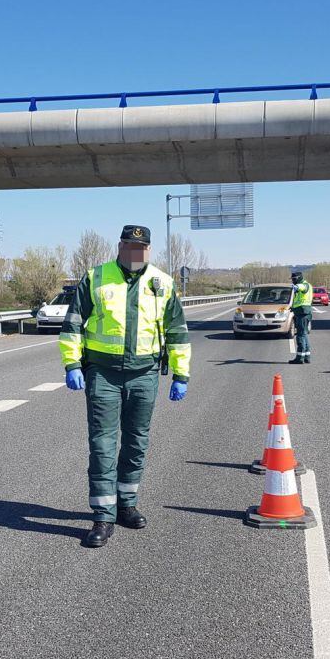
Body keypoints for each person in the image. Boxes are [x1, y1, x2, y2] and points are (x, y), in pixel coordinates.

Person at [59, 225, 191, 548]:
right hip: (103, 375)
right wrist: (73, 364)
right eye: (130, 246)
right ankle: (103, 516)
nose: (135, 253)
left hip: (144, 375)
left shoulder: (162, 283)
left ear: (148, 250)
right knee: (103, 445)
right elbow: (73, 324)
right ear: (119, 246)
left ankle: (126, 504)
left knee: (136, 442)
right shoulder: (96, 277)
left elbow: (177, 332)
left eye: (141, 248)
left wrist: (181, 374)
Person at [288, 270, 313, 364]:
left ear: (298, 278)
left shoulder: (304, 285)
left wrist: (295, 287)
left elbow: (301, 288)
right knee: (304, 335)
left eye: (294, 279)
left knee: (300, 336)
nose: (292, 281)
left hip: (303, 313)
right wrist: (293, 307)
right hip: (302, 312)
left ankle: (300, 358)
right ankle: (307, 356)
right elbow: (299, 300)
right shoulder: (305, 285)